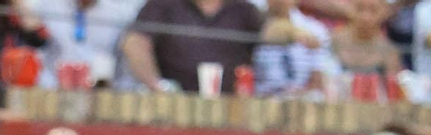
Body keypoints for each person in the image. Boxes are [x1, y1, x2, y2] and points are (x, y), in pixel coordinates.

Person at [121, 0, 264, 92]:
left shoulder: (244, 10)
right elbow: (135, 43)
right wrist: (157, 86)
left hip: (232, 109)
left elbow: (270, 36)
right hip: (173, 107)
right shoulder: (163, 4)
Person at [35, 0, 143, 88]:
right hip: (52, 90)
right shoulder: (45, 6)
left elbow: (125, 67)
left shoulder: (120, 14)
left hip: (100, 93)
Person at [253, 0, 340, 97]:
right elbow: (270, 30)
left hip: (301, 100)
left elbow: (319, 77)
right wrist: (293, 31)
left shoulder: (315, 29)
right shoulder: (253, 22)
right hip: (260, 99)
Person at [330, 0, 402, 80]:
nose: (365, 17)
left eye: (373, 10)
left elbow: (393, 85)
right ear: (348, 8)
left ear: (384, 12)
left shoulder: (389, 52)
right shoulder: (332, 41)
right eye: (359, 9)